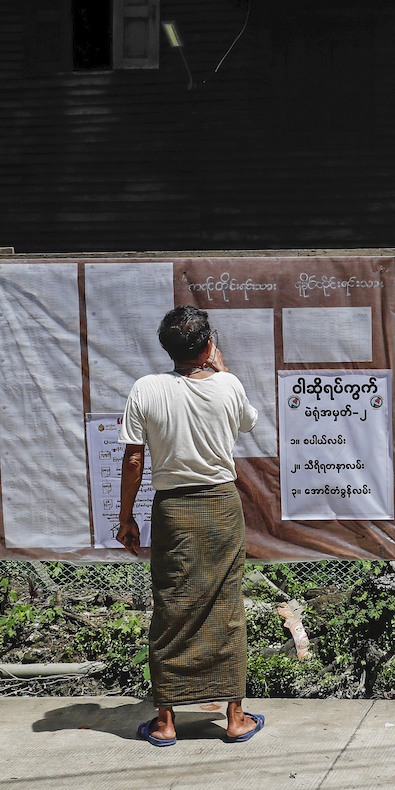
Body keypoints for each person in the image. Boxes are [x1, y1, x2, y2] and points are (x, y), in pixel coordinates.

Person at [118, 305, 262, 747]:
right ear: (207, 345)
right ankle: (234, 717)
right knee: (225, 604)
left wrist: (127, 519)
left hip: (172, 512)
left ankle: (165, 722)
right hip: (221, 506)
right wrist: (220, 370)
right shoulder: (228, 385)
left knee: (172, 605)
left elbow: (134, 460)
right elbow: (246, 422)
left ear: (167, 347)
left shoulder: (146, 389)